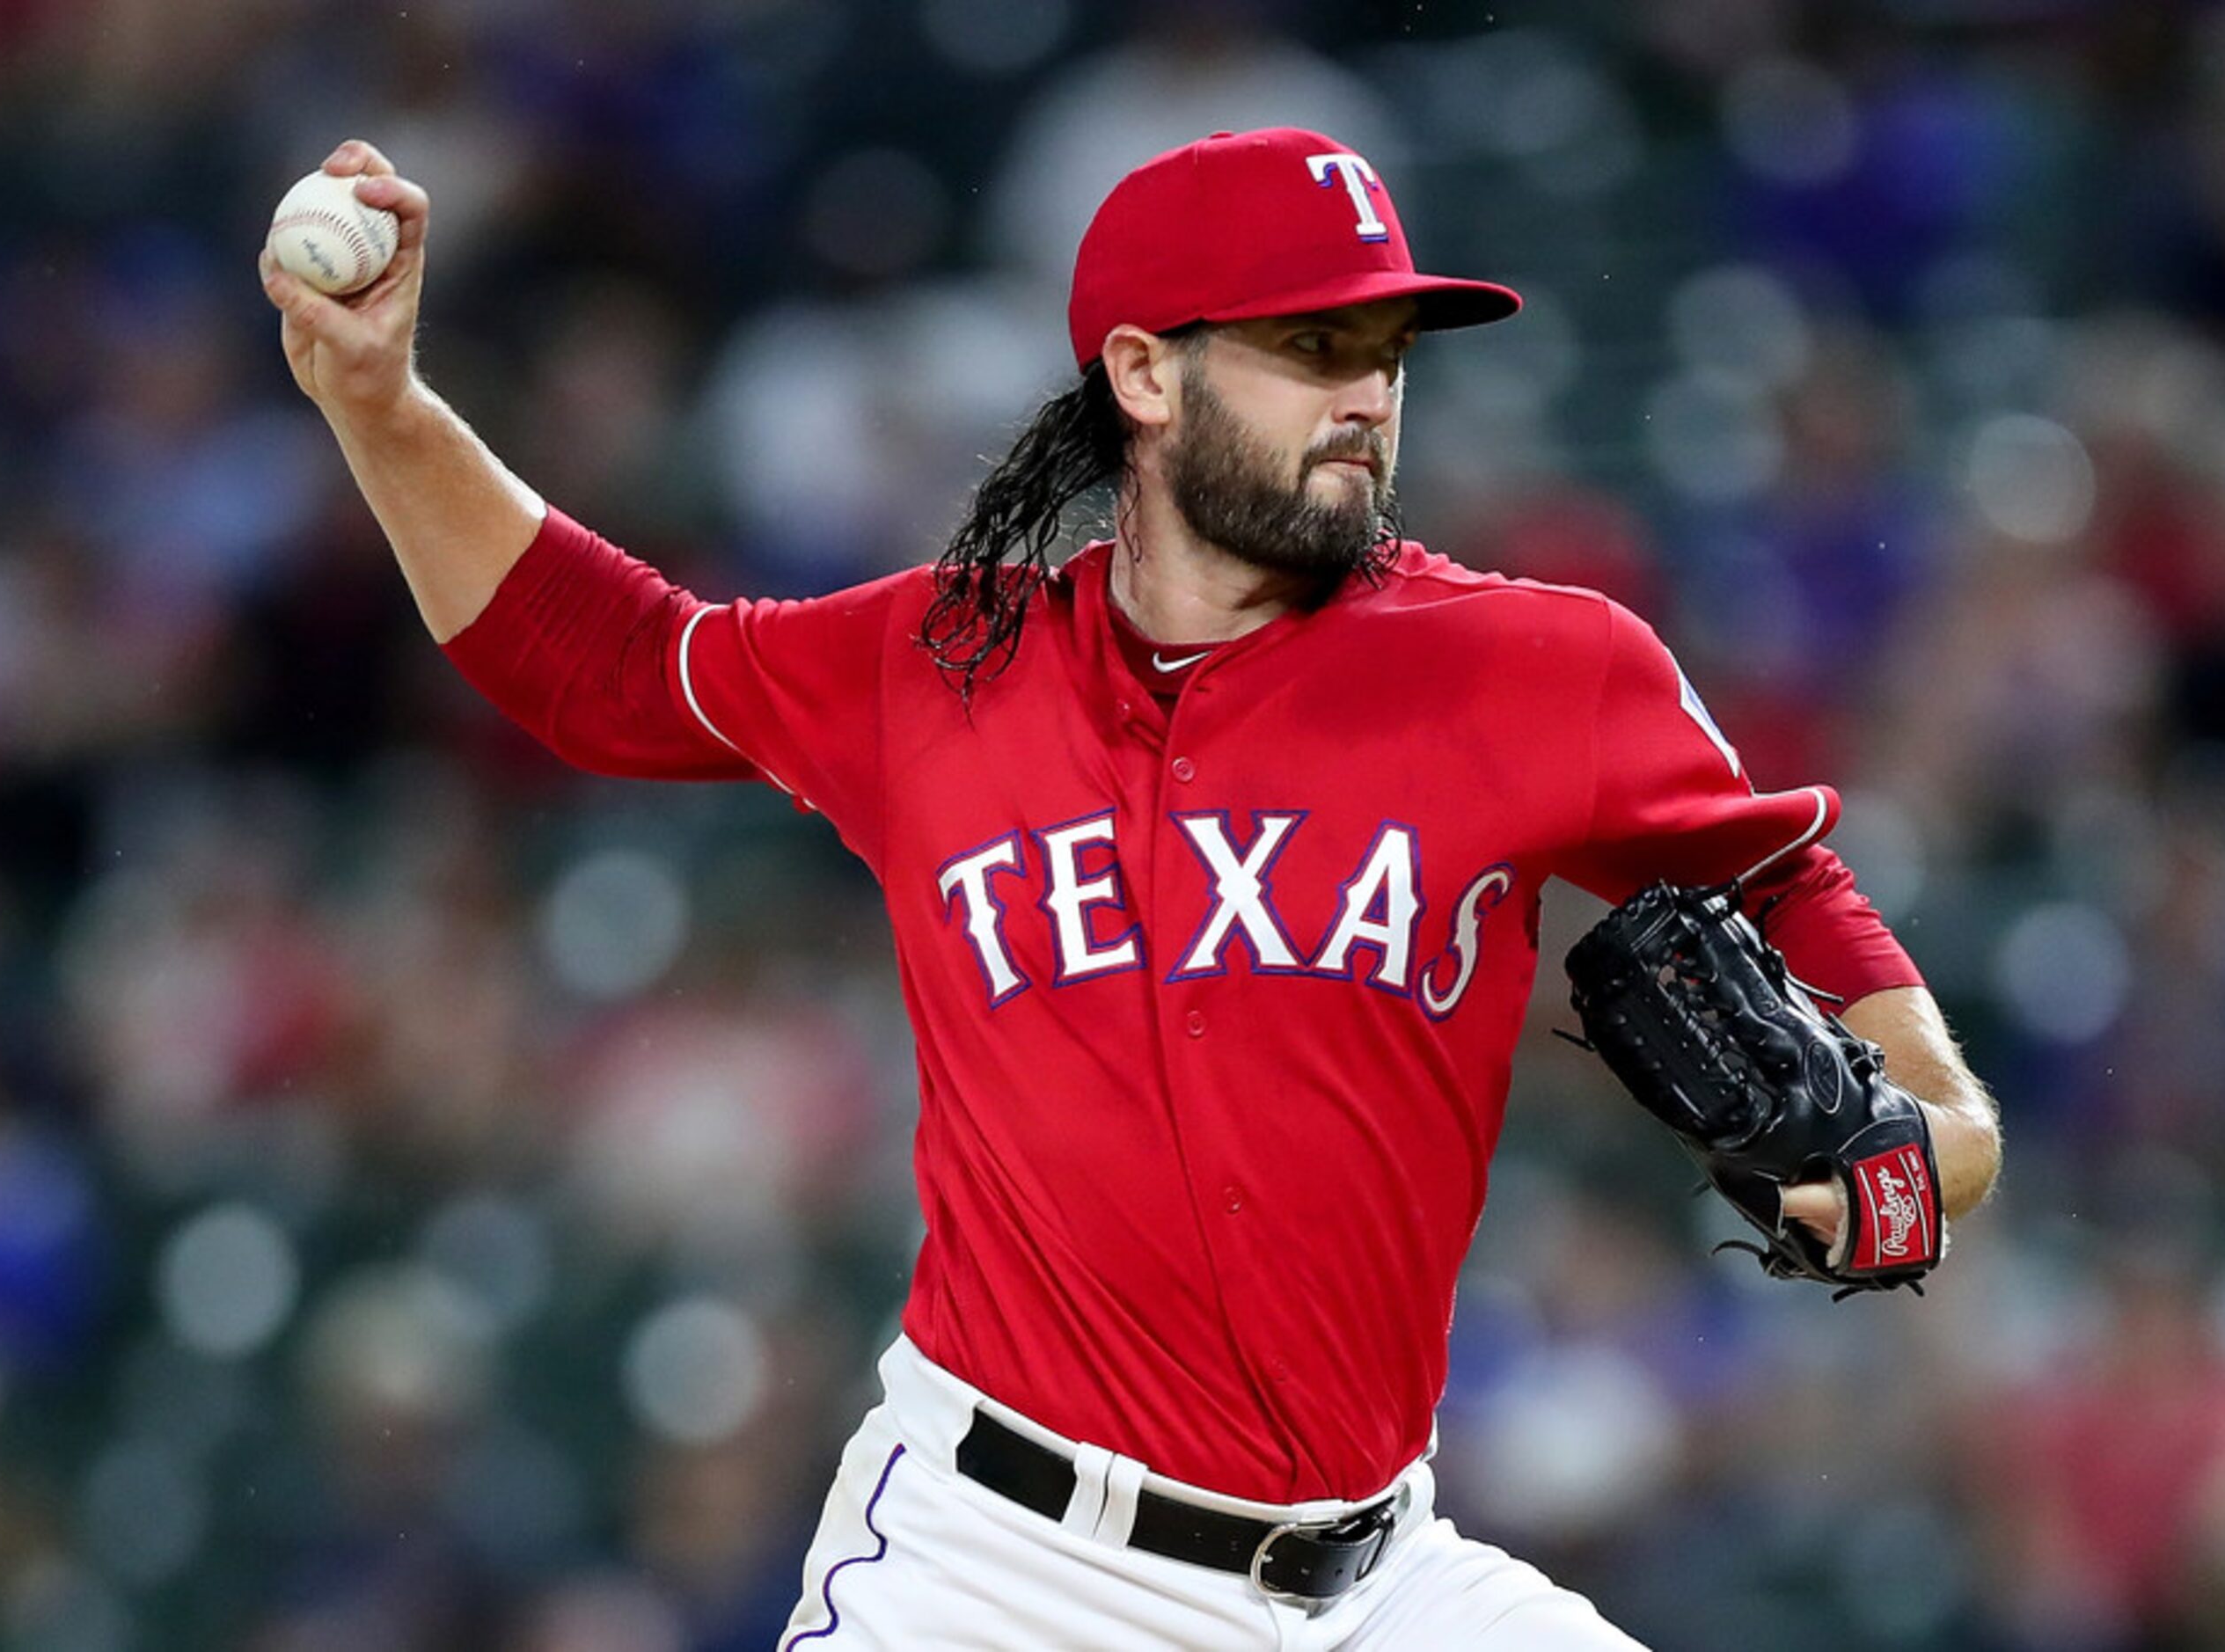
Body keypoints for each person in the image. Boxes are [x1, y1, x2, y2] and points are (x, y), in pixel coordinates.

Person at [260, 127, 2002, 1650]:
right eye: (1313, 346)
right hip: (1001, 1570)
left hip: (1379, 1581)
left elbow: (1879, 1026)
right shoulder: (941, 665)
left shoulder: (1541, 672)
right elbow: (607, 668)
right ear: (1147, 376)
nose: (1369, 395)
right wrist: (383, 404)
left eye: (1388, 349)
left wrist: (1912, 1166)